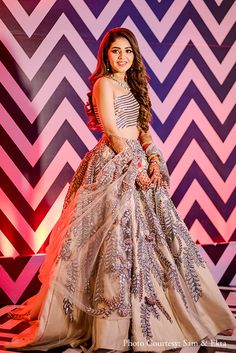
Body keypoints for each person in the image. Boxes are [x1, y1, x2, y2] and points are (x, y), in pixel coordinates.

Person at [5, 27, 236, 352]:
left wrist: (153, 158)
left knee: (156, 239)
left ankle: (160, 314)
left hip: (139, 159)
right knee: (113, 240)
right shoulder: (103, 84)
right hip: (113, 162)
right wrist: (136, 168)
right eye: (116, 51)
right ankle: (108, 326)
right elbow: (113, 131)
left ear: (134, 55)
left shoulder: (133, 84)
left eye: (128, 51)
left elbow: (143, 130)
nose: (122, 57)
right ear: (106, 55)